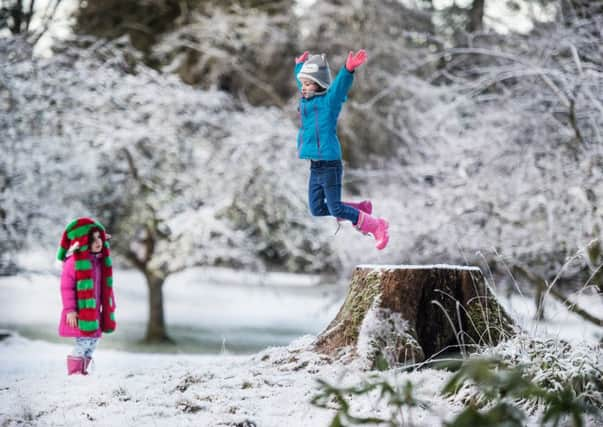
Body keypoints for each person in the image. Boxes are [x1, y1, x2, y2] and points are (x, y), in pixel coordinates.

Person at [294, 49, 389, 249]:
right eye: (302, 84)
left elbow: (338, 88)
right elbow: (303, 79)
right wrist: (299, 67)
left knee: (336, 208)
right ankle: (361, 209)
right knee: (317, 208)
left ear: (318, 85)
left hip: (330, 165)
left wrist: (348, 69)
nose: (303, 88)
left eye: (308, 84)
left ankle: (377, 226)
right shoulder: (306, 102)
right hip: (315, 165)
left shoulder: (328, 102)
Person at [57, 217, 116, 375]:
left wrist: (111, 304)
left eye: (99, 237)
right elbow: (66, 287)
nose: (98, 242)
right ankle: (75, 371)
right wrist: (70, 309)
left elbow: (106, 286)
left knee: (92, 342)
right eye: (93, 239)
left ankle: (83, 370)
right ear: (82, 241)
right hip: (80, 313)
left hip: (94, 312)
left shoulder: (99, 261)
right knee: (83, 341)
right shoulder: (73, 263)